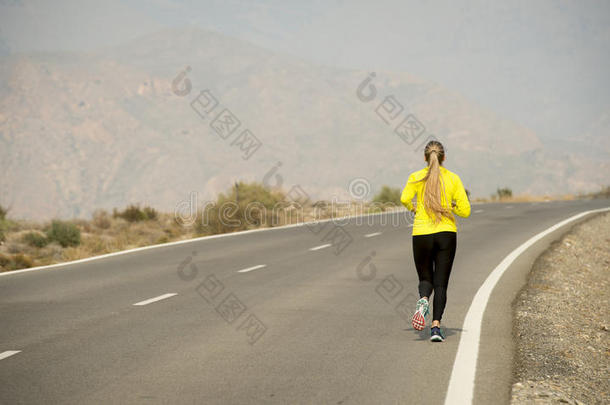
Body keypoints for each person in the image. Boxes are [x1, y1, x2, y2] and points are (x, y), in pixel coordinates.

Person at [400, 140, 470, 342]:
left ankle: (423, 300)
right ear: (443, 158)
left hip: (421, 233)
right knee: (441, 284)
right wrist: (452, 206)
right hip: (446, 234)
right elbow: (466, 211)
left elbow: (405, 198)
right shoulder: (453, 179)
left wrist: (414, 209)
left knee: (425, 279)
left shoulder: (416, 177)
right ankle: (436, 328)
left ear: (424, 158)